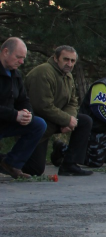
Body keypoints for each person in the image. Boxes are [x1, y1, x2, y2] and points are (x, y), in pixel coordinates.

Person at [24, 45, 94, 176]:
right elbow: (42, 106)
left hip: (53, 120)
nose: (69, 64)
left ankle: (70, 164)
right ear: (56, 58)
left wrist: (69, 120)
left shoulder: (67, 75)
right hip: (37, 125)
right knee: (34, 169)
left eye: (72, 61)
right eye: (66, 59)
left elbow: (72, 101)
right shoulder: (43, 72)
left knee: (85, 121)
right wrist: (66, 120)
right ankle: (7, 160)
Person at [0, 37, 47, 179]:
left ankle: (11, 164)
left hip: (7, 120)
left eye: (23, 58)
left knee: (38, 124)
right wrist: (15, 115)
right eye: (18, 57)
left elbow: (23, 100)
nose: (21, 62)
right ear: (5, 52)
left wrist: (28, 114)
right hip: (7, 117)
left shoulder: (15, 74)